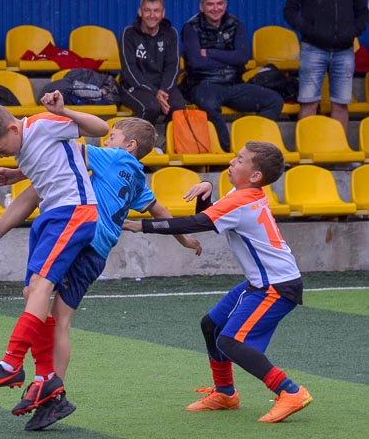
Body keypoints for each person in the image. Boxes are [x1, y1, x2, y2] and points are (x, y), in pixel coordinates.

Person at [0, 117, 202, 430]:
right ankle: (51, 392)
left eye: (113, 136)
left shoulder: (112, 157)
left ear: (129, 146)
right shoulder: (138, 178)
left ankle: (28, 372)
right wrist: (185, 239)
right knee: (59, 318)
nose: (107, 140)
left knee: (37, 292)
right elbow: (160, 212)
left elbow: (68, 153)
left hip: (81, 233)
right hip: (98, 253)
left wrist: (18, 171)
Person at [123, 141, 312, 423]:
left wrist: (141, 225)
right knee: (211, 325)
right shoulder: (242, 194)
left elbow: (195, 224)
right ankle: (225, 393)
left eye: (240, 160)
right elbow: (212, 217)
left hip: (276, 286)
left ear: (256, 176)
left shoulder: (240, 200)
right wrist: (206, 195)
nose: (233, 162)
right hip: (262, 282)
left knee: (230, 341)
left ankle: (290, 392)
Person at [0, 91, 108, 421]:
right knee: (32, 294)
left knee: (41, 288)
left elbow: (100, 128)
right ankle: (46, 380)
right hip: (51, 216)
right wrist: (16, 174)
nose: (5, 155)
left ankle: (10, 364)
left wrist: (64, 110)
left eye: (2, 149)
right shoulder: (23, 143)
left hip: (74, 212)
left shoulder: (43, 124)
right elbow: (49, 165)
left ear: (14, 129)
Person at [181, 0, 284, 152]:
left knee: (274, 101)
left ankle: (250, 145)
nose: (215, 8)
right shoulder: (191, 27)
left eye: (219, 3)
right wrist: (229, 59)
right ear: (202, 7)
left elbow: (242, 57)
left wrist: (210, 52)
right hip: (204, 84)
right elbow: (196, 62)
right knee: (209, 104)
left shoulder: (235, 24)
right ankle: (227, 150)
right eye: (210, 4)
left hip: (234, 84)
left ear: (225, 4)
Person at [284, 0, 369, 132]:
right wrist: (311, 31)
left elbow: (363, 13)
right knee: (309, 102)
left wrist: (353, 32)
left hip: (345, 51)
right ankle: (305, 146)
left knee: (341, 103)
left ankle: (341, 148)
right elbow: (289, 11)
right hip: (313, 49)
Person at [119, 0, 186, 123]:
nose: (152, 15)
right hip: (133, 85)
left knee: (178, 108)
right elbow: (130, 71)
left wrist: (163, 91)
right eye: (147, 10)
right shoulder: (128, 33)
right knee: (151, 108)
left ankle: (168, 143)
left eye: (156, 11)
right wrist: (155, 92)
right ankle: (141, 143)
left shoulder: (171, 33)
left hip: (162, 86)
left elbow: (173, 67)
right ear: (140, 12)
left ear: (163, 13)